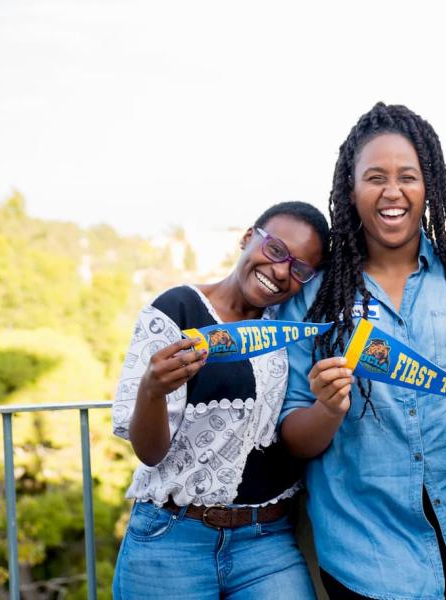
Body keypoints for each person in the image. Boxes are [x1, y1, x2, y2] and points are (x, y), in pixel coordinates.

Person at [278, 102, 446, 600]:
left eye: (408, 177)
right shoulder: (311, 298)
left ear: (429, 186)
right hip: (370, 560)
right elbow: (295, 436)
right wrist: (328, 409)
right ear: (349, 190)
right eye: (375, 177)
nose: (392, 191)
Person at [111, 201, 329, 599]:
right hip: (172, 540)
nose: (281, 271)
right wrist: (151, 390)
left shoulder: (291, 329)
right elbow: (150, 452)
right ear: (248, 238)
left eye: (299, 269)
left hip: (267, 543)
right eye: (275, 250)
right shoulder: (177, 310)